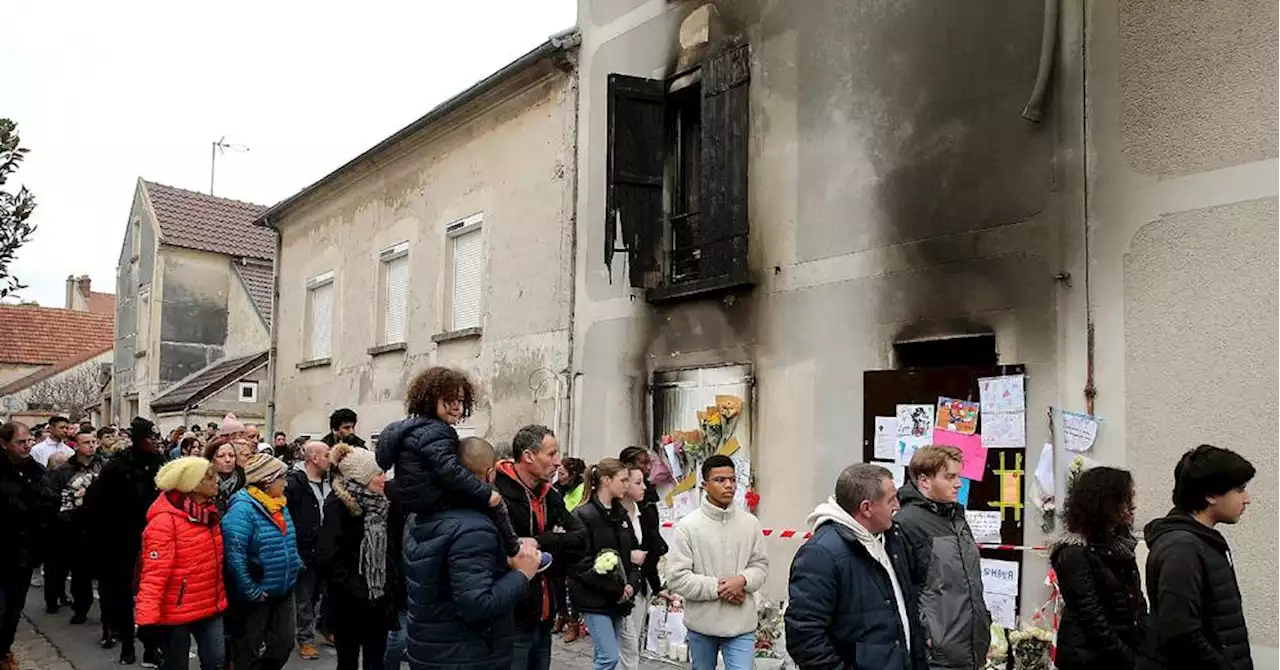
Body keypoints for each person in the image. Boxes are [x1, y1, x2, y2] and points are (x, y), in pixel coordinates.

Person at [375, 367, 550, 573]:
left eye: (460, 400)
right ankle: (513, 552)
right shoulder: (438, 431)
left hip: (413, 501)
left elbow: (384, 460)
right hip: (432, 499)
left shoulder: (406, 429)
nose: (456, 407)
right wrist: (486, 493)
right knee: (494, 502)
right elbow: (449, 470)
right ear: (430, 399)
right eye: (449, 400)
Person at [404, 437, 541, 670]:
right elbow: (476, 605)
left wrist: (501, 558)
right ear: (490, 474)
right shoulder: (474, 527)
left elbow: (443, 574)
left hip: (430, 649)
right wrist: (522, 574)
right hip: (465, 655)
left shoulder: (419, 517)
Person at [785, 463, 926, 670]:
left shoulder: (893, 539)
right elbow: (804, 634)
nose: (897, 506)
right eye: (891, 499)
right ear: (866, 508)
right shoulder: (820, 554)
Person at [1139, 445, 1256, 670]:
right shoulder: (1181, 548)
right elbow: (1181, 634)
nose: (1247, 498)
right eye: (1239, 489)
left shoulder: (1201, 541)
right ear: (1210, 495)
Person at [667, 455, 769, 670]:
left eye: (732, 480)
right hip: (701, 624)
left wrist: (742, 580)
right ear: (705, 485)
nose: (728, 485)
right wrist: (721, 587)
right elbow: (677, 578)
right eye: (720, 480)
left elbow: (760, 566)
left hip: (741, 624)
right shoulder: (688, 526)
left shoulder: (750, 524)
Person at [494, 425, 583, 670]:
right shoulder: (497, 494)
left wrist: (540, 541)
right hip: (511, 618)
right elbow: (500, 551)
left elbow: (580, 538)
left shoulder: (549, 494)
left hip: (545, 615)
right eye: (551, 454)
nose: (557, 462)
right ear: (528, 456)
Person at [895, 445, 990, 670]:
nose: (958, 483)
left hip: (969, 647)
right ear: (925, 481)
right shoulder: (907, 523)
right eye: (950, 477)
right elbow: (901, 589)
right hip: (937, 654)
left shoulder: (955, 516)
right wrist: (926, 634)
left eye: (959, 476)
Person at [82, 417, 168, 664]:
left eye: (156, 437)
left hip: (154, 538)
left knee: (153, 594)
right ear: (139, 439)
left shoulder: (162, 466)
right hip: (120, 540)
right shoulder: (117, 468)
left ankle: (151, 645)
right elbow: (96, 504)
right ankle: (126, 642)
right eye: (149, 438)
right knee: (121, 594)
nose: (154, 442)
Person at [136, 458, 228, 670]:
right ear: (193, 484)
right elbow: (153, 575)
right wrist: (146, 620)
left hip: (210, 603)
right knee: (176, 665)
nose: (217, 481)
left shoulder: (208, 513)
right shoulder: (164, 522)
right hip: (175, 612)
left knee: (216, 660)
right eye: (209, 477)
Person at [1050, 466, 1146, 669]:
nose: (1132, 507)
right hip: (1089, 659)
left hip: (1120, 654)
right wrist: (1132, 661)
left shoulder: (1120, 547)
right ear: (1106, 503)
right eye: (1126, 499)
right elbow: (1094, 623)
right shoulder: (1075, 553)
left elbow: (1136, 601)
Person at [318, 445, 397, 670]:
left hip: (379, 598)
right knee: (348, 661)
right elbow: (329, 555)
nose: (384, 479)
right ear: (362, 478)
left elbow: (391, 550)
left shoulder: (383, 503)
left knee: (375, 660)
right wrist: (355, 589)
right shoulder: (338, 504)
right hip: (348, 600)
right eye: (378, 474)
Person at [221, 453, 303, 670]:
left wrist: (295, 565)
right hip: (258, 593)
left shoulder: (279, 504)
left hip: (284, 588)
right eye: (281, 478)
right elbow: (235, 556)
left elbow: (288, 539)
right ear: (267, 481)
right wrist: (251, 590)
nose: (285, 483)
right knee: (248, 652)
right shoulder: (242, 509)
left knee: (283, 645)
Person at [567, 459, 644, 670]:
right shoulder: (583, 515)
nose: (627, 485)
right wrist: (618, 589)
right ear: (606, 480)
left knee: (608, 656)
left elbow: (631, 555)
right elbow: (580, 564)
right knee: (608, 657)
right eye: (623, 480)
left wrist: (631, 586)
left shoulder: (621, 515)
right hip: (594, 599)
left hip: (619, 599)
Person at [1, 422, 56, 670]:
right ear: (4, 443)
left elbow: (47, 508)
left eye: (28, 442)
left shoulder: (37, 472)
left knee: (14, 607)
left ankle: (3, 650)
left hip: (25, 552)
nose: (27, 447)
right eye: (20, 442)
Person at [41, 426, 105, 621]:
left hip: (97, 526)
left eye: (94, 442)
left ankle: (107, 614)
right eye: (87, 442)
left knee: (98, 570)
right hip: (71, 527)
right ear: (76, 446)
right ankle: (80, 607)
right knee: (77, 570)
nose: (92, 446)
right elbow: (54, 499)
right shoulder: (63, 471)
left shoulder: (103, 466)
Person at [618, 462, 668, 670]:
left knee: (634, 641)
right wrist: (628, 556)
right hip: (619, 585)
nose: (644, 487)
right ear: (624, 484)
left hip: (641, 584)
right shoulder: (613, 514)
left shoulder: (643, 512)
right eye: (638, 483)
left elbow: (650, 553)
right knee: (625, 644)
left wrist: (658, 587)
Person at [286, 441, 333, 660]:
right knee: (304, 597)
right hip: (304, 549)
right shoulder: (294, 484)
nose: (329, 459)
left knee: (326, 595)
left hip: (326, 548)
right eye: (326, 455)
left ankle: (324, 627)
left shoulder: (329, 482)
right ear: (313, 458)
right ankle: (304, 639)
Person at [551, 457, 588, 642]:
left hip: (573, 543)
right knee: (557, 582)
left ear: (572, 475)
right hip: (558, 541)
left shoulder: (582, 489)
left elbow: (574, 514)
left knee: (572, 585)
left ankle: (574, 622)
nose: (559, 476)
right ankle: (561, 615)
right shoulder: (556, 487)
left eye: (563, 473)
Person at [204, 440, 246, 515]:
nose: (228, 460)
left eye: (231, 455)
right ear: (211, 459)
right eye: (221, 456)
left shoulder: (245, 481)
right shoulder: (204, 485)